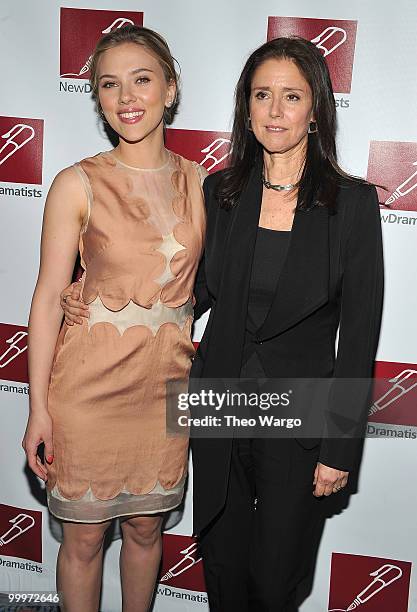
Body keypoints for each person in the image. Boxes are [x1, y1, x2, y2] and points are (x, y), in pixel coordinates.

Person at [61, 36, 384, 611]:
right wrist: (94, 297)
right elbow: (191, 286)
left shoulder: (351, 203)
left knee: (278, 579)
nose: (276, 110)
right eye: (263, 95)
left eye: (292, 96)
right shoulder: (223, 192)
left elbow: (359, 335)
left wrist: (339, 447)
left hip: (300, 413)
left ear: (315, 109)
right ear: (247, 107)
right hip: (216, 407)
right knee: (225, 572)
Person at [22, 25, 206, 612]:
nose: (128, 97)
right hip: (87, 388)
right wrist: (38, 410)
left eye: (143, 80)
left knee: (149, 531)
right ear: (99, 100)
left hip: (163, 388)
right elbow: (50, 296)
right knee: (83, 536)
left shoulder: (203, 184)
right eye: (110, 84)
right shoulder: (76, 183)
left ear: (170, 90)